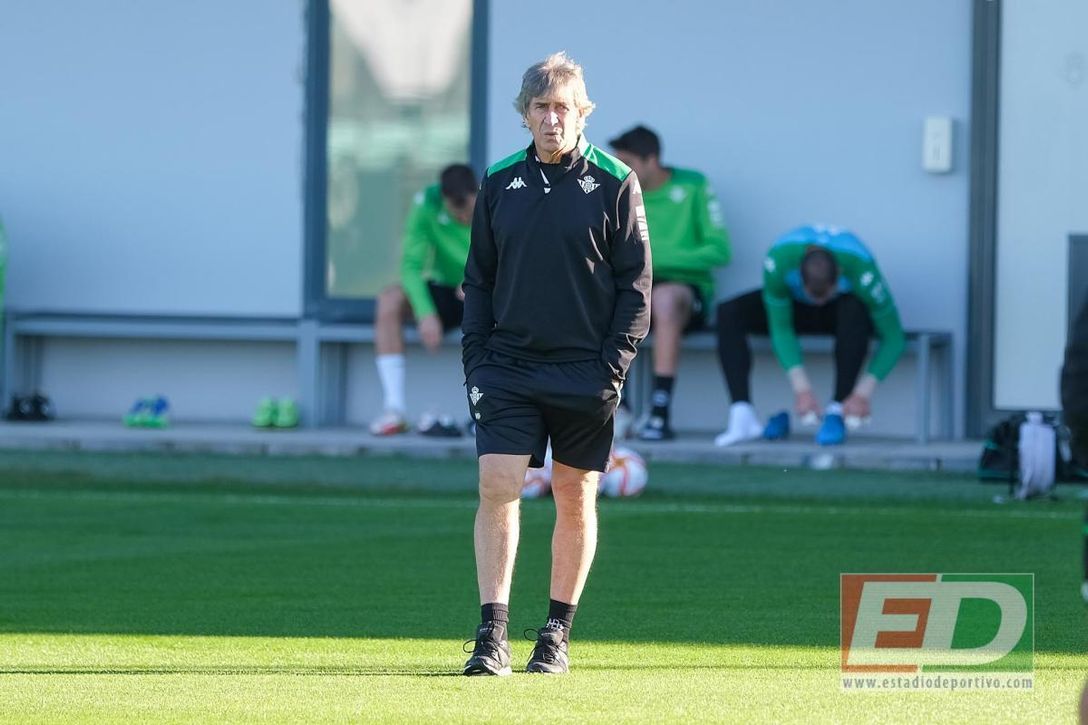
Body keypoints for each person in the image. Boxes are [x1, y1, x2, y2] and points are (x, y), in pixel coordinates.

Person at [460, 52, 651, 676]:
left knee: (575, 494)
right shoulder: (499, 182)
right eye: (540, 108)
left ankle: (556, 635)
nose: (551, 119)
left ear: (582, 112)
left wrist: (612, 368)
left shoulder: (616, 181)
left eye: (562, 108)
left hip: (584, 370)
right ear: (524, 115)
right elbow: (479, 280)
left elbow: (636, 288)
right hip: (507, 367)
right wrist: (476, 360)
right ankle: (492, 636)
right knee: (497, 487)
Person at [714, 225, 904, 446]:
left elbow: (894, 338)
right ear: (799, 279)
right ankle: (742, 413)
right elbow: (781, 328)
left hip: (841, 315)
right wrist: (802, 389)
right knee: (728, 312)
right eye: (813, 295)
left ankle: (837, 408)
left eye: (824, 295)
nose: (818, 302)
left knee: (854, 310)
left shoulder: (862, 268)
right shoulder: (780, 259)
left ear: (839, 276)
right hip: (797, 311)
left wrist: (863, 393)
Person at [608, 126, 731, 441]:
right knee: (602, 298)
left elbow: (719, 250)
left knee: (662, 298)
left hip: (685, 293)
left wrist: (651, 260)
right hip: (635, 289)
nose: (622, 170)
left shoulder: (694, 185)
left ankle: (660, 412)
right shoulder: (618, 190)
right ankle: (617, 409)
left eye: (628, 162)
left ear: (652, 160)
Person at [369, 164, 477, 436]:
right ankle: (394, 409)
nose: (464, 217)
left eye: (468, 210)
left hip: (484, 290)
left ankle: (489, 411)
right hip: (446, 289)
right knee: (389, 299)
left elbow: (513, 259)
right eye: (457, 211)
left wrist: (480, 282)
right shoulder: (426, 206)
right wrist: (425, 313)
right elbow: (410, 266)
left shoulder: (496, 201)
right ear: (444, 201)